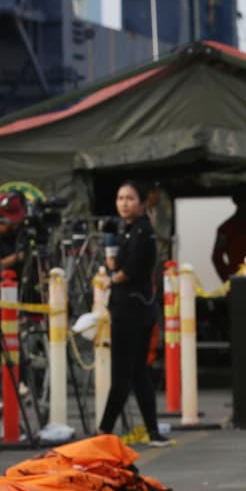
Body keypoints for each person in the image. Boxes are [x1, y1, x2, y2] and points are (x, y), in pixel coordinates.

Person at [98, 180, 168, 447]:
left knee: (122, 374)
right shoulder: (126, 230)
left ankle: (103, 430)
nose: (124, 203)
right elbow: (116, 263)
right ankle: (153, 431)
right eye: (120, 198)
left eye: (129, 198)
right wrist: (110, 257)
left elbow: (132, 269)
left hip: (133, 309)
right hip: (129, 307)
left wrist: (112, 279)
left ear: (141, 203)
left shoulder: (143, 232)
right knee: (139, 372)